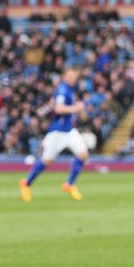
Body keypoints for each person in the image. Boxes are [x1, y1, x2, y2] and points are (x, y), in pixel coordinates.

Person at [19, 67, 89, 201]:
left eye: (75, 76)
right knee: (47, 161)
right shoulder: (63, 90)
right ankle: (26, 184)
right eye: (71, 76)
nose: (73, 79)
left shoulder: (70, 90)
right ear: (65, 77)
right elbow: (58, 108)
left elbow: (53, 104)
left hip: (69, 130)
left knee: (83, 154)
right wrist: (76, 108)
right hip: (57, 131)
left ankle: (69, 185)